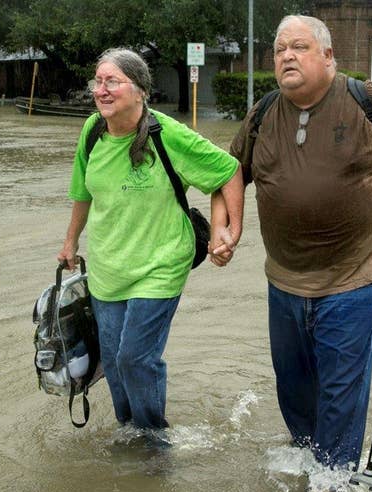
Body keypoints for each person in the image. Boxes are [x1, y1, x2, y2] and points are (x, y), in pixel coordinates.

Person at [229, 14, 372, 489]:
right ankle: (309, 456)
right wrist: (232, 226)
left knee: (341, 389)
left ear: (327, 56)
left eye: (299, 47)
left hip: (354, 277)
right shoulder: (264, 111)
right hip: (284, 277)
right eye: (279, 49)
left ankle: (334, 480)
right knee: (293, 386)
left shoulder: (364, 100)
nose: (286, 55)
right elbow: (230, 170)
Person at [56, 47, 244, 433]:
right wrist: (70, 241)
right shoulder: (91, 132)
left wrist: (231, 229)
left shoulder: (167, 135)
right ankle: (130, 429)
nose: (102, 90)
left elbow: (228, 171)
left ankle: (154, 439)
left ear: (140, 90)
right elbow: (82, 192)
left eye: (112, 81)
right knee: (112, 358)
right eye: (98, 81)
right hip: (109, 268)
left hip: (161, 264)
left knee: (135, 358)